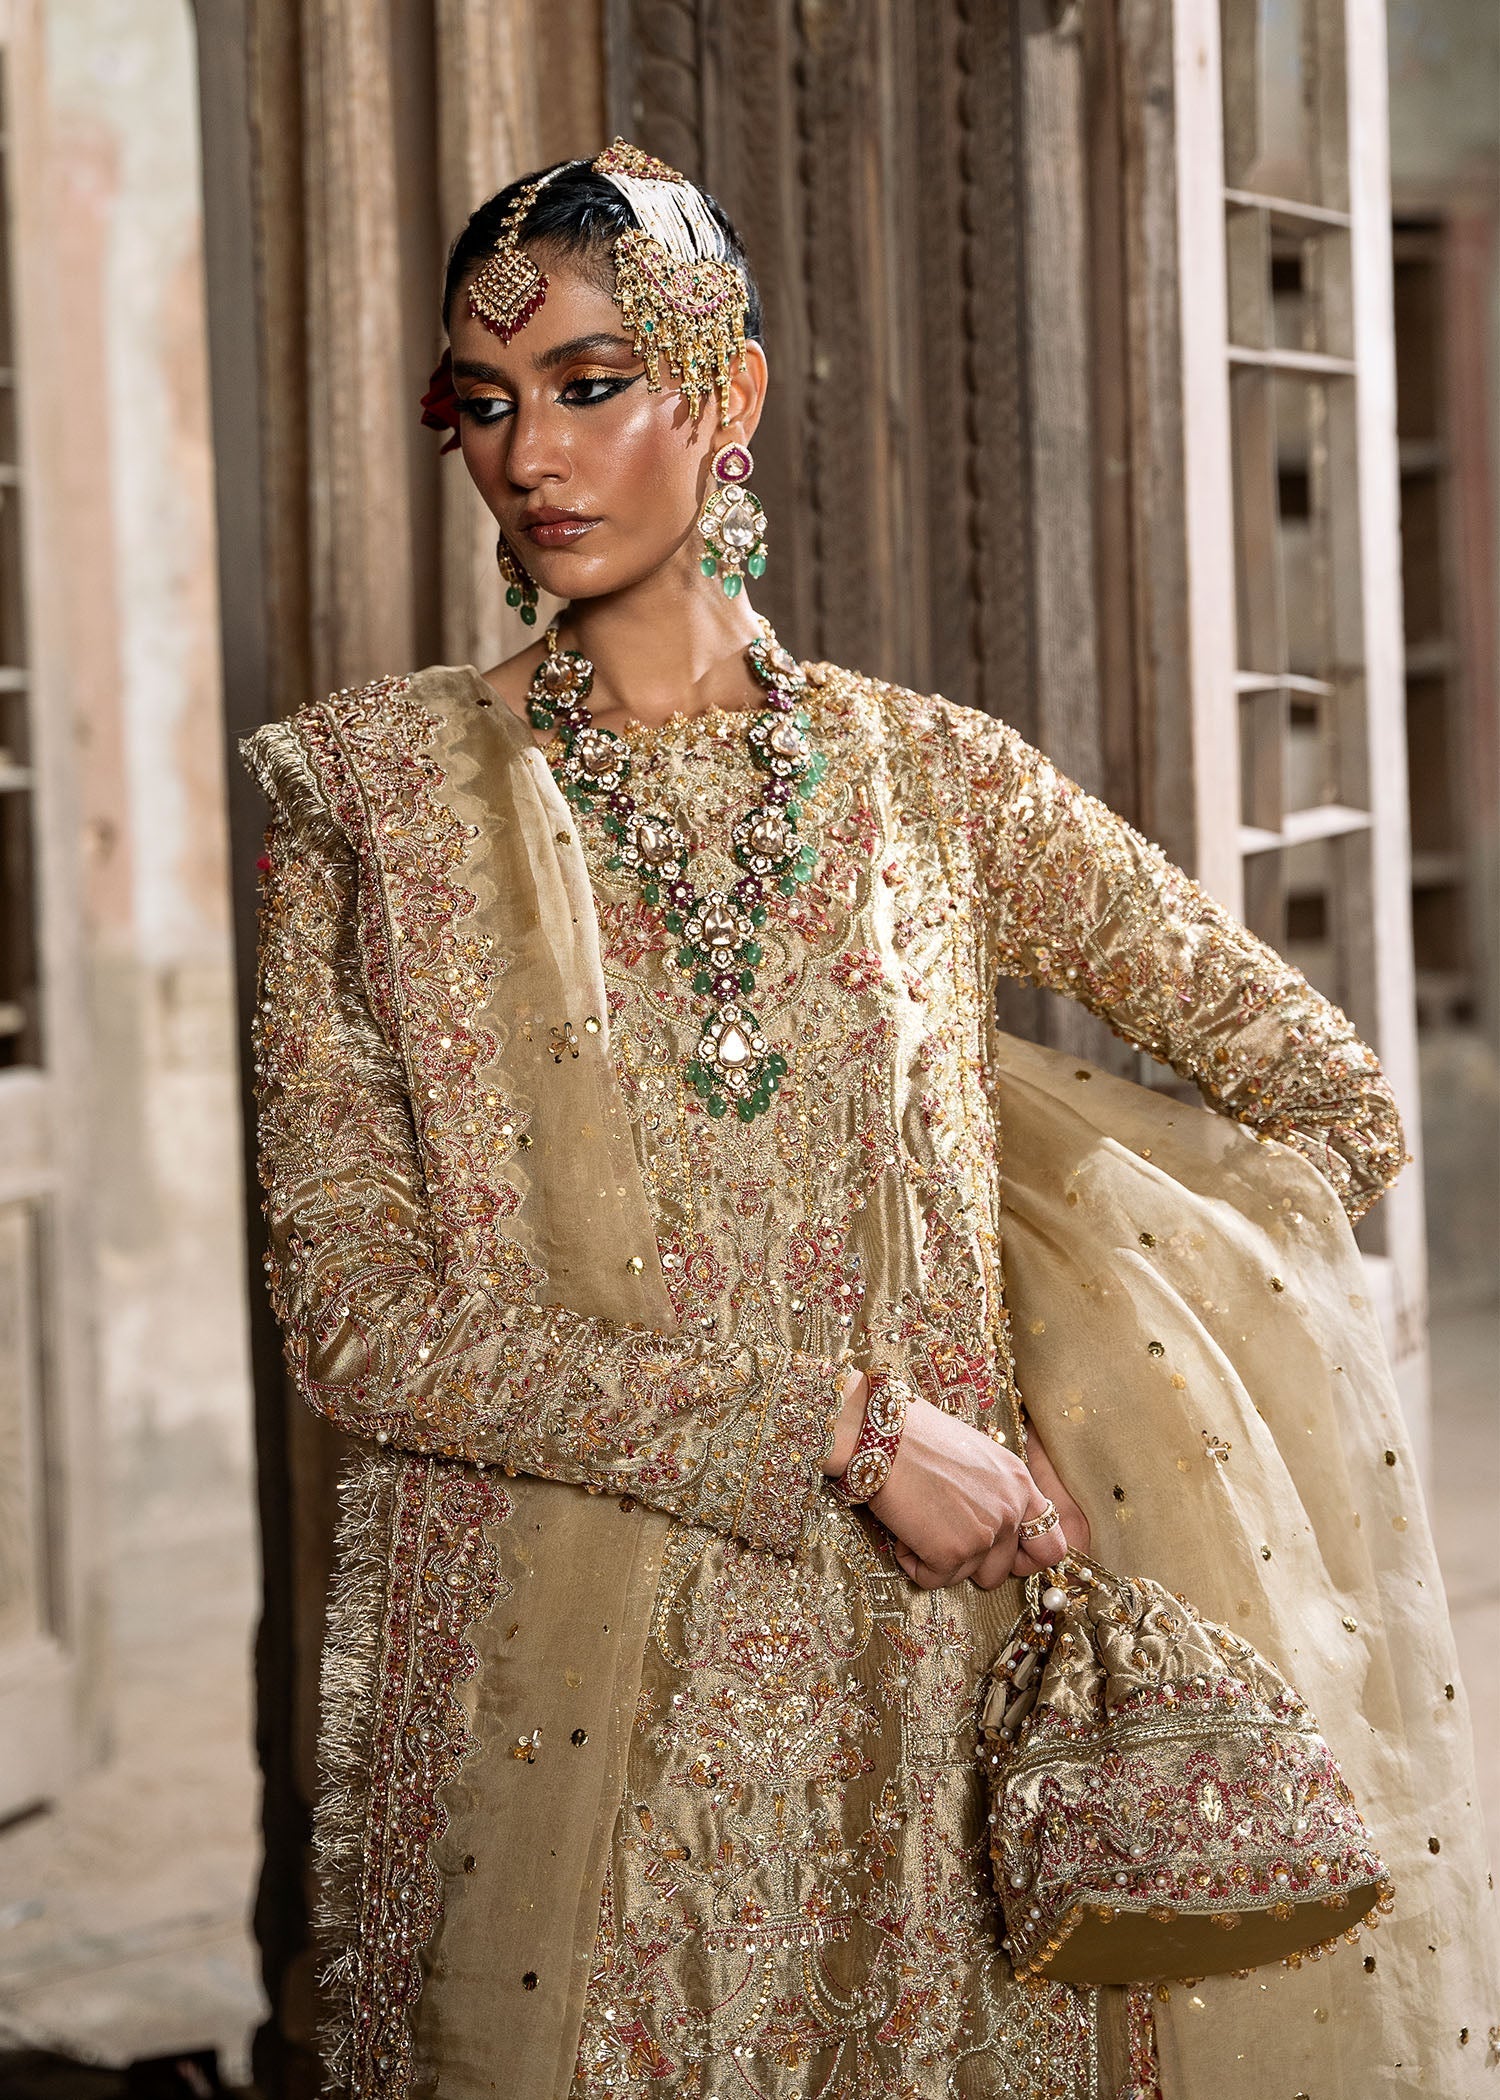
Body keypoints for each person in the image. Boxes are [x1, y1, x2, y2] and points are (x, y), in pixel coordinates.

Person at [245, 144, 1497, 2100]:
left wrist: (1115, 1377)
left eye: (590, 384)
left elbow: (1323, 1090)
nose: (528, 456)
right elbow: (357, 1326)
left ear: (726, 392)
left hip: (931, 1705)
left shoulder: (932, 780)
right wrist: (844, 1428)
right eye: (483, 405)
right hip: (549, 1723)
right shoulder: (368, 805)